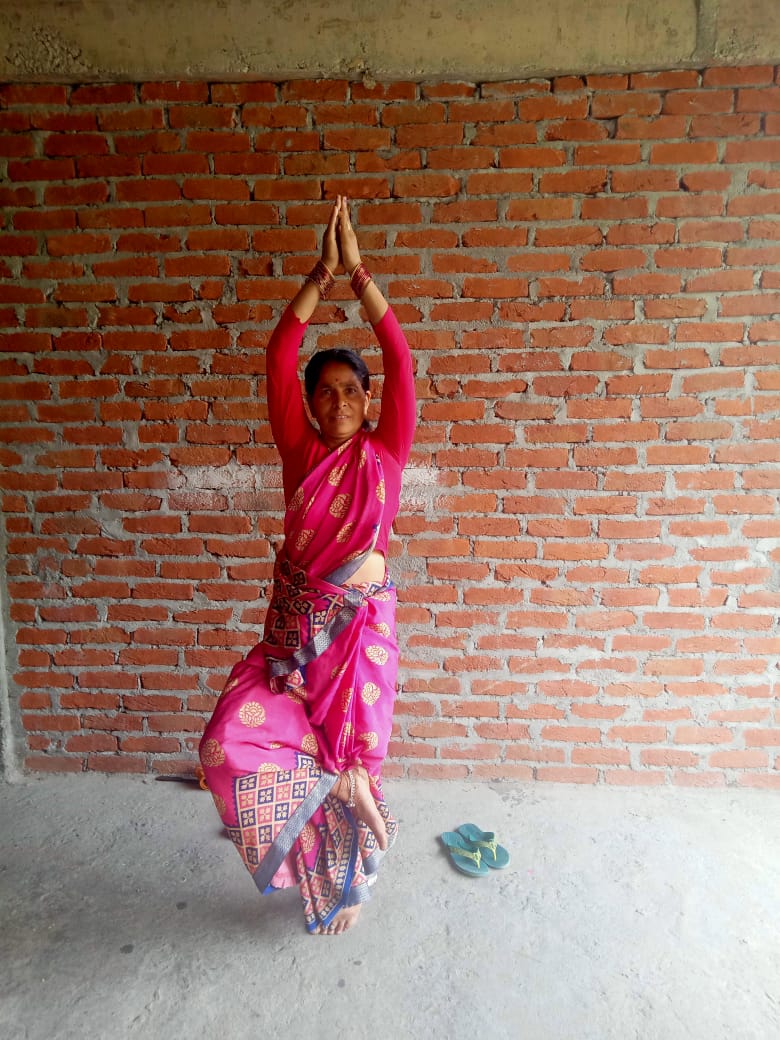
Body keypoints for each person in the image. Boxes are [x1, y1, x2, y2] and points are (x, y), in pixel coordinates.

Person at [198, 196, 416, 935]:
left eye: (353, 389)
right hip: (299, 635)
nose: (341, 400)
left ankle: (351, 881)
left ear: (369, 401)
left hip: (362, 635)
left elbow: (402, 357)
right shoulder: (302, 456)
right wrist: (320, 275)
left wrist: (360, 277)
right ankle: (329, 823)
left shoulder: (386, 454)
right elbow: (276, 353)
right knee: (231, 740)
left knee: (358, 757)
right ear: (311, 409)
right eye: (325, 392)